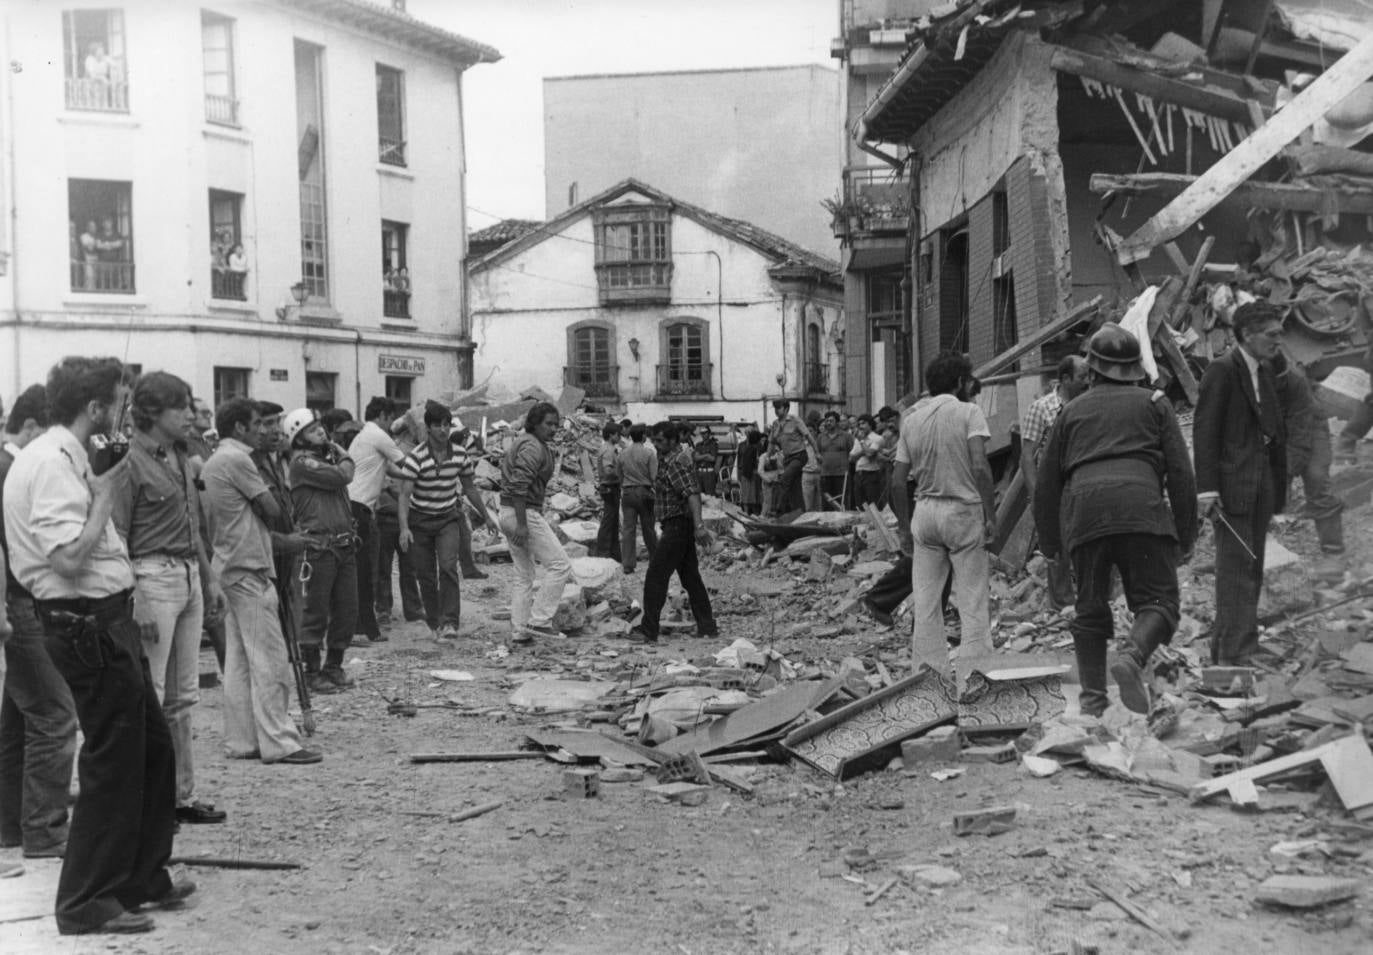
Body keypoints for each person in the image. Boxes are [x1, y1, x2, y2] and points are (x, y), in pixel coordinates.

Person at [3, 356, 192, 935]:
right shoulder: (52, 463)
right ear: (96, 408)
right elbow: (65, 557)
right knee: (113, 762)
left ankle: (141, 875)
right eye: (120, 402)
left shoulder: (68, 456)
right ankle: (87, 901)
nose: (123, 413)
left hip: (108, 618)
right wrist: (106, 497)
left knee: (153, 751)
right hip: (83, 623)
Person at [1034, 325, 1197, 716]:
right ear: (1135, 369)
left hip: (1086, 514)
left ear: (1092, 370)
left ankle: (1092, 701)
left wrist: (1051, 544)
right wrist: (1186, 534)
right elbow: (1180, 474)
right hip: (1141, 507)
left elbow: (1046, 483)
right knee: (1159, 601)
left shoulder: (1070, 411)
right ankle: (1132, 655)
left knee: (1090, 609)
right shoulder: (1156, 403)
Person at [110, 372, 227, 827]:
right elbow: (117, 535)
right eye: (180, 408)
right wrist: (134, 597)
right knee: (152, 696)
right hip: (151, 576)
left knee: (184, 697)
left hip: (187, 574)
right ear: (153, 413)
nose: (190, 416)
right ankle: (147, 799)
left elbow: (192, 523)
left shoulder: (180, 456)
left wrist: (209, 577)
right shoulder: (127, 462)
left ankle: (180, 796)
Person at [200, 398, 321, 766]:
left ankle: (242, 740)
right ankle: (279, 742)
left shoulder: (215, 460)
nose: (263, 430)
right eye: (257, 424)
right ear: (239, 427)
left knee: (238, 662)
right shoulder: (238, 460)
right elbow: (274, 512)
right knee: (270, 658)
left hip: (231, 564)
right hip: (249, 567)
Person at [0, 385, 77, 863]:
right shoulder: (11, 467)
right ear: (31, 428)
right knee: (54, 715)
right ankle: (45, 831)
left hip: (18, 604)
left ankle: (11, 825)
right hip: (19, 606)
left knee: (17, 721)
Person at [891, 352, 996, 688]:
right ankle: (974, 680)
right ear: (960, 383)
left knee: (926, 602)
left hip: (925, 512)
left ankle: (927, 681)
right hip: (963, 510)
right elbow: (980, 466)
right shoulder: (969, 412)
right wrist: (991, 514)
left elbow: (896, 481)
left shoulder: (911, 420)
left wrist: (905, 526)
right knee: (972, 599)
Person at [1194, 302, 1288, 666]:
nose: (1279, 341)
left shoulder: (1262, 372)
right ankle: (1233, 655)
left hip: (1260, 486)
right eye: (1272, 334)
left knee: (1252, 567)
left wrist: (1279, 489)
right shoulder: (1222, 370)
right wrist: (1208, 489)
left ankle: (1242, 645)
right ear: (1248, 335)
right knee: (1235, 572)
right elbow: (1206, 431)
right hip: (1232, 490)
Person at [398, 401, 488, 639]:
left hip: (448, 518)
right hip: (420, 521)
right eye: (437, 425)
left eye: (447, 425)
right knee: (426, 575)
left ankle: (450, 622)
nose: (443, 430)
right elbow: (404, 495)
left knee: (448, 567)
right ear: (428, 428)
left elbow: (470, 488)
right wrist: (404, 528)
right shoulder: (416, 457)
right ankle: (435, 620)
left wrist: (487, 517)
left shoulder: (460, 454)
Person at [282, 409, 357, 691]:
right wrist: (344, 453)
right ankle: (312, 671)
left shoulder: (323, 459)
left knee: (346, 611)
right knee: (315, 611)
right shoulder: (302, 463)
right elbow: (343, 476)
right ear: (299, 438)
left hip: (342, 543)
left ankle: (334, 666)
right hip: (318, 547)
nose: (321, 433)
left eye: (320, 428)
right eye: (313, 431)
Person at [629, 421, 719, 644]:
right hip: (677, 524)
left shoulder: (677, 462)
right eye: (655, 441)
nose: (657, 445)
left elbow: (693, 494)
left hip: (678, 525)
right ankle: (707, 626)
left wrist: (699, 526)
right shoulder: (669, 459)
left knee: (655, 577)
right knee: (691, 578)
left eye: (660, 441)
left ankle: (649, 630)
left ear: (672, 440)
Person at [497, 402, 572, 641]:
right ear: (535, 423)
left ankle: (520, 631)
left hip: (506, 511)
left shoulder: (525, 441)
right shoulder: (532, 446)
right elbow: (519, 486)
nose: (553, 429)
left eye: (556, 425)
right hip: (523, 513)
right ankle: (539, 621)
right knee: (560, 565)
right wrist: (521, 524)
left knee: (524, 574)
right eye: (548, 424)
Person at [1021, 356, 1091, 608]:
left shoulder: (1089, 404)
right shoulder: (1041, 408)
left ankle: (1091, 601)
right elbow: (1027, 456)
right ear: (1065, 379)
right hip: (1055, 488)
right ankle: (1063, 606)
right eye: (1082, 377)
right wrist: (1036, 496)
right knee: (1057, 548)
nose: (1087, 382)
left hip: (1085, 484)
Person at [1275, 355, 1345, 582]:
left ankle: (1334, 553)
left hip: (1309, 425)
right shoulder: (1238, 375)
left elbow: (1300, 440)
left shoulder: (1293, 380)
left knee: (1316, 479)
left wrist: (1288, 470)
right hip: (1274, 429)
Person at [347, 397, 407, 643]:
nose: (392, 423)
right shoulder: (379, 436)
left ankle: (363, 627)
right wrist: (430, 472)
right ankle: (364, 629)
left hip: (354, 506)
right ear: (383, 415)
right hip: (359, 508)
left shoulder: (364, 436)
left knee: (363, 570)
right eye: (391, 418)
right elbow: (405, 463)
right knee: (365, 571)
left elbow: (390, 469)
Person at [617, 423, 659, 573]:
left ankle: (627, 564)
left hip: (627, 493)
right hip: (644, 492)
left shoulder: (622, 453)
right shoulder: (649, 453)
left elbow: (619, 475)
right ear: (643, 436)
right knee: (648, 529)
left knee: (628, 530)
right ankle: (656, 560)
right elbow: (654, 477)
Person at [767, 399, 813, 514]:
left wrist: (816, 453)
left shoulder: (795, 420)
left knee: (784, 479)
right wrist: (768, 457)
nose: (776, 411)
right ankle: (801, 512)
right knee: (795, 487)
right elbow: (771, 443)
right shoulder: (775, 424)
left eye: (779, 408)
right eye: (775, 409)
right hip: (787, 458)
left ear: (786, 409)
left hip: (799, 455)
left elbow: (808, 436)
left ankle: (777, 510)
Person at [594, 422, 623, 560]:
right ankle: (603, 552)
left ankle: (614, 553)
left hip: (610, 487)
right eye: (618, 434)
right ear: (611, 435)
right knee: (609, 521)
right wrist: (621, 474)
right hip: (610, 487)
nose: (620, 437)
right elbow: (608, 470)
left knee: (613, 520)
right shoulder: (608, 450)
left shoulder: (609, 448)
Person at [816, 411, 853, 510]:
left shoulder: (846, 436)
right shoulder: (820, 437)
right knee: (827, 502)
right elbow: (818, 452)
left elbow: (852, 452)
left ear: (837, 422)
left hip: (841, 474)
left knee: (841, 501)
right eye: (826, 421)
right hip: (825, 474)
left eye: (831, 421)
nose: (828, 423)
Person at [850, 414, 885, 509]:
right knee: (860, 506)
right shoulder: (858, 439)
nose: (861, 426)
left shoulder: (877, 438)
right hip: (858, 475)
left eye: (863, 423)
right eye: (859, 424)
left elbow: (869, 455)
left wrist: (862, 442)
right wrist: (864, 450)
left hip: (871, 475)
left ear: (870, 425)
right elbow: (851, 458)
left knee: (873, 506)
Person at [735, 427, 763, 516]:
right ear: (757, 440)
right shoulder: (753, 449)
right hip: (750, 475)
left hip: (746, 474)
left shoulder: (748, 448)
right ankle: (752, 513)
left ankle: (747, 513)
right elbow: (752, 463)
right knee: (752, 496)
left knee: (747, 495)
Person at [693, 427, 719, 497]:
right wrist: (706, 455)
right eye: (702, 433)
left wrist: (701, 456)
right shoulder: (698, 444)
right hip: (699, 473)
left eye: (705, 433)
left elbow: (713, 458)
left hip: (709, 473)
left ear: (709, 433)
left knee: (710, 495)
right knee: (699, 495)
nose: (703, 435)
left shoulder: (713, 444)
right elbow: (696, 458)